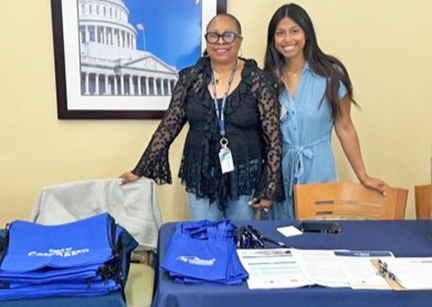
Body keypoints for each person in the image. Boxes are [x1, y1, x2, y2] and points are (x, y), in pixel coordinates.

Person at [120, 13, 284, 221]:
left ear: (239, 40)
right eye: (214, 36)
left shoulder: (258, 80)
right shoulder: (190, 78)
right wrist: (139, 169)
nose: (221, 41)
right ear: (207, 40)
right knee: (204, 242)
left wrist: (269, 187)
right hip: (200, 176)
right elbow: (169, 126)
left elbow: (273, 138)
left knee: (240, 243)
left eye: (228, 35)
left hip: (244, 179)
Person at [263, 3, 386, 220]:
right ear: (273, 39)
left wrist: (363, 175)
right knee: (280, 241)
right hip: (279, 177)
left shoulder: (331, 74)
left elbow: (345, 127)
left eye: (294, 31)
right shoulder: (266, 79)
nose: (287, 39)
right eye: (280, 33)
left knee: (318, 240)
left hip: (318, 171)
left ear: (307, 34)